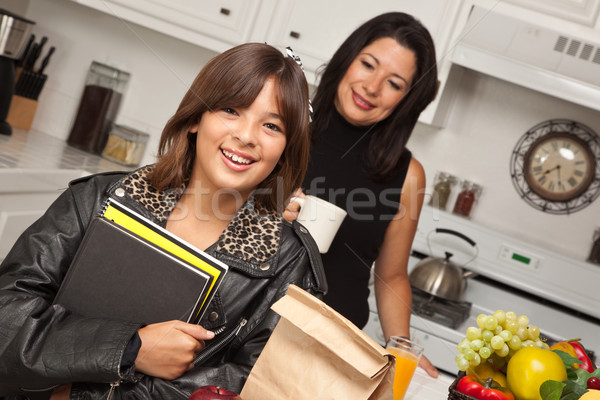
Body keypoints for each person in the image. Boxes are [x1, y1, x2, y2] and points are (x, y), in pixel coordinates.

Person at [0, 43, 325, 399]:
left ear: (284, 149)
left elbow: (258, 385)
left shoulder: (288, 266)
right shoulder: (97, 200)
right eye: (231, 109)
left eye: (271, 126)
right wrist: (130, 348)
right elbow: (7, 319)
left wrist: (78, 392)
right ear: (195, 120)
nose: (247, 136)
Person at [284, 12, 440, 377]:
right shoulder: (283, 124)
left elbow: (392, 275)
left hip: (333, 351)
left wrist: (401, 346)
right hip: (248, 327)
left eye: (394, 83)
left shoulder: (408, 177)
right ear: (346, 59)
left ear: (408, 99)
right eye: (367, 65)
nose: (371, 87)